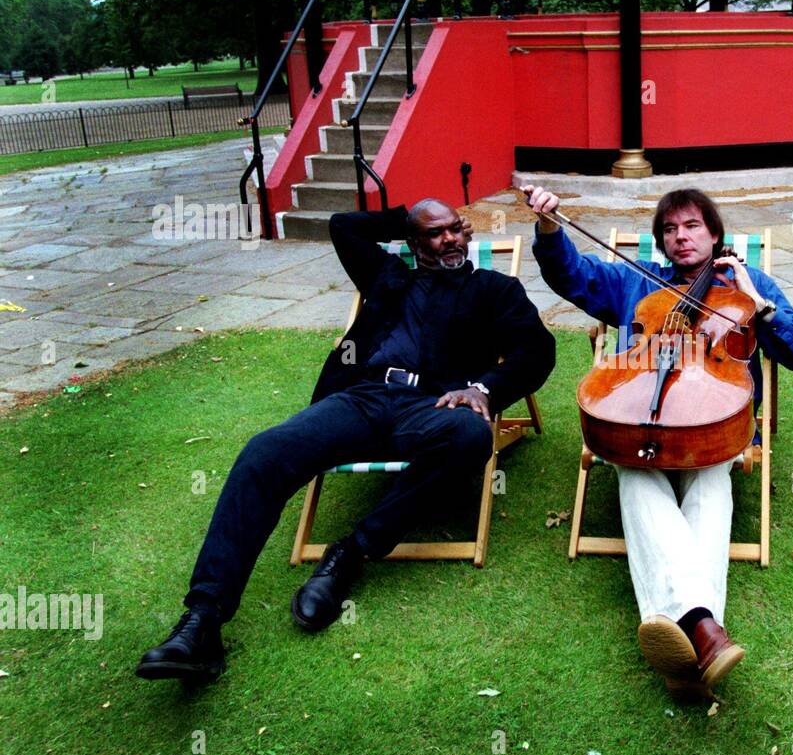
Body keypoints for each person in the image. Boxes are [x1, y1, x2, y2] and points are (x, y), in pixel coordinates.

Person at [136, 199, 556, 681]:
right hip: (361, 399)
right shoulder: (387, 275)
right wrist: (408, 217)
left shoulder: (493, 288)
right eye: (437, 234)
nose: (454, 240)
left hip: (437, 406)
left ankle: (351, 551)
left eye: (457, 229)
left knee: (468, 437)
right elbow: (343, 225)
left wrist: (482, 389)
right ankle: (203, 620)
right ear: (414, 243)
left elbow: (537, 350)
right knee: (263, 452)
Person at [523, 184, 793, 698]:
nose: (680, 237)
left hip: (713, 418)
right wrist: (551, 228)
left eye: (691, 226)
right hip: (641, 410)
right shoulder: (636, 282)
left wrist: (762, 310)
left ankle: (681, 631)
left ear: (714, 233)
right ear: (661, 241)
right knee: (635, 469)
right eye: (669, 229)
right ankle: (705, 632)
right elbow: (571, 276)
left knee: (708, 478)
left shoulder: (747, 283)